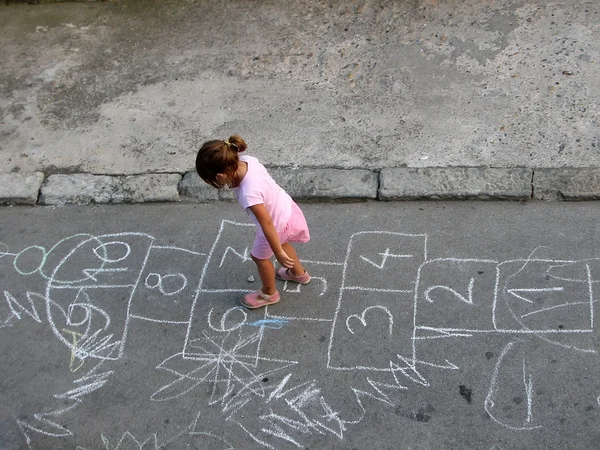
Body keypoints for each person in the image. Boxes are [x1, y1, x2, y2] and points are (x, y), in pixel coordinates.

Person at [195, 134, 311, 309]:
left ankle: (269, 293)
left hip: (276, 224)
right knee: (283, 243)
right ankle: (299, 274)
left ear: (220, 176)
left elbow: (267, 224)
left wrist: (277, 252)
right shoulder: (249, 161)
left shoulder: (249, 193)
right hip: (286, 209)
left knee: (259, 257)